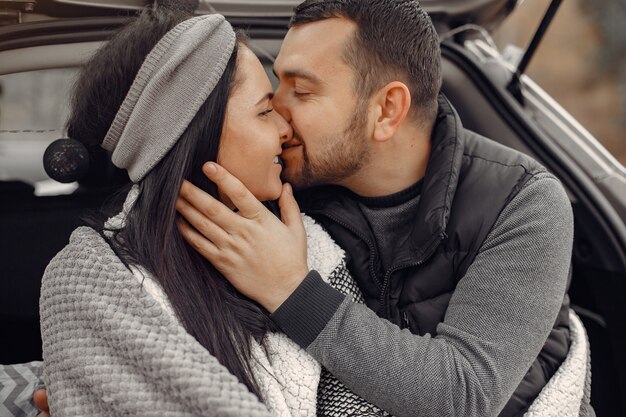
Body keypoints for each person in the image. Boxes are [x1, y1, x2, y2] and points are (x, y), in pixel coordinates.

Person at [173, 0, 594, 416]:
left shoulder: (522, 202)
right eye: (274, 86)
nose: (278, 114)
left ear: (387, 110)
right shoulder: (283, 190)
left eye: (301, 90)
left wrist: (290, 290)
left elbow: (464, 395)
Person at [35, 5, 387, 417]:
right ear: (193, 136)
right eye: (264, 110)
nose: (285, 129)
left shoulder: (310, 244)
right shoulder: (89, 279)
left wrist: (295, 289)